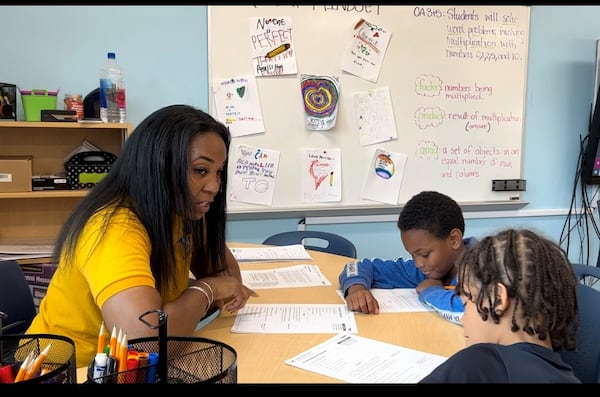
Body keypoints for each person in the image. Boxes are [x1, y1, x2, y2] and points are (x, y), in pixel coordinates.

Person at [26, 104, 258, 367]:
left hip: (123, 369)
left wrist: (213, 288)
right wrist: (208, 289)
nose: (214, 187)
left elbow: (229, 283)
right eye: (200, 171)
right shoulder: (114, 227)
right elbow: (146, 343)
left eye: (219, 172)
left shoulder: (180, 209)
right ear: (157, 166)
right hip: (61, 370)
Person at [420, 228, 581, 383]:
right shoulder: (567, 376)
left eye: (466, 302)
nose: (463, 319)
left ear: (497, 299)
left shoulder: (478, 362)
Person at [338, 190, 477, 324]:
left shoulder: (485, 268)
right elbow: (358, 265)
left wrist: (430, 291)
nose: (418, 264)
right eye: (412, 255)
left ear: (454, 239)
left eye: (424, 254)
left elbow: (471, 309)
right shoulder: (430, 269)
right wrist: (356, 288)